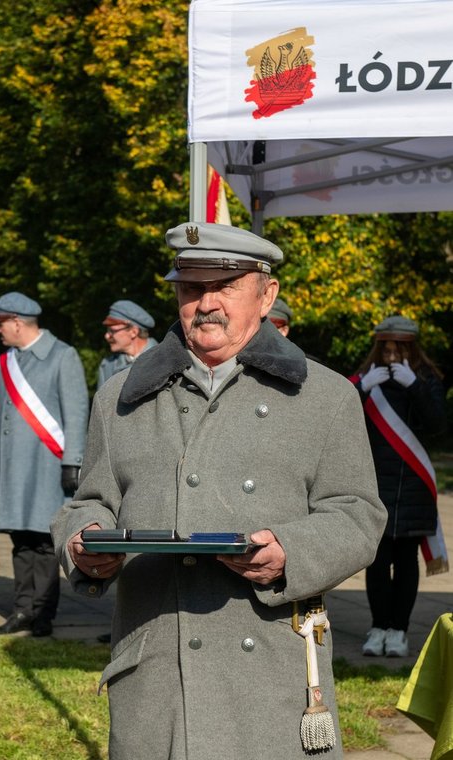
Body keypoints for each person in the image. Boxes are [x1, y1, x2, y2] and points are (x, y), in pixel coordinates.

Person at [52, 222, 387, 760]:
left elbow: (357, 515)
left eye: (224, 287)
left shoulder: (325, 397)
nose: (205, 303)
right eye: (190, 289)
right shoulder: (121, 396)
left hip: (269, 673)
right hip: (156, 667)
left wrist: (288, 552)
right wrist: (83, 542)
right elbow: (90, 500)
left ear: (267, 294)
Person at [0, 292, 88, 637]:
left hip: (47, 465)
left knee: (45, 542)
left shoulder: (63, 356)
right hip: (13, 469)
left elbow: (76, 413)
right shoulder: (3, 364)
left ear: (17, 322)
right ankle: (22, 609)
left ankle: (42, 613)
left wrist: (73, 461)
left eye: (1, 324)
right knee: (20, 541)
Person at [353, 315, 447, 658]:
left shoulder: (426, 379)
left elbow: (437, 424)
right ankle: (378, 628)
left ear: (411, 348)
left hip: (412, 488)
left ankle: (399, 631)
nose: (391, 355)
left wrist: (415, 387)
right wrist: (361, 389)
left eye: (399, 348)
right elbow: (339, 421)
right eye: (387, 347)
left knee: (406, 562)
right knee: (376, 563)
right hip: (374, 485)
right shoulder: (364, 381)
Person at [96, 300, 157, 388]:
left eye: (112, 331)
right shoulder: (108, 366)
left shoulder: (164, 359)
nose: (107, 336)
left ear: (133, 332)